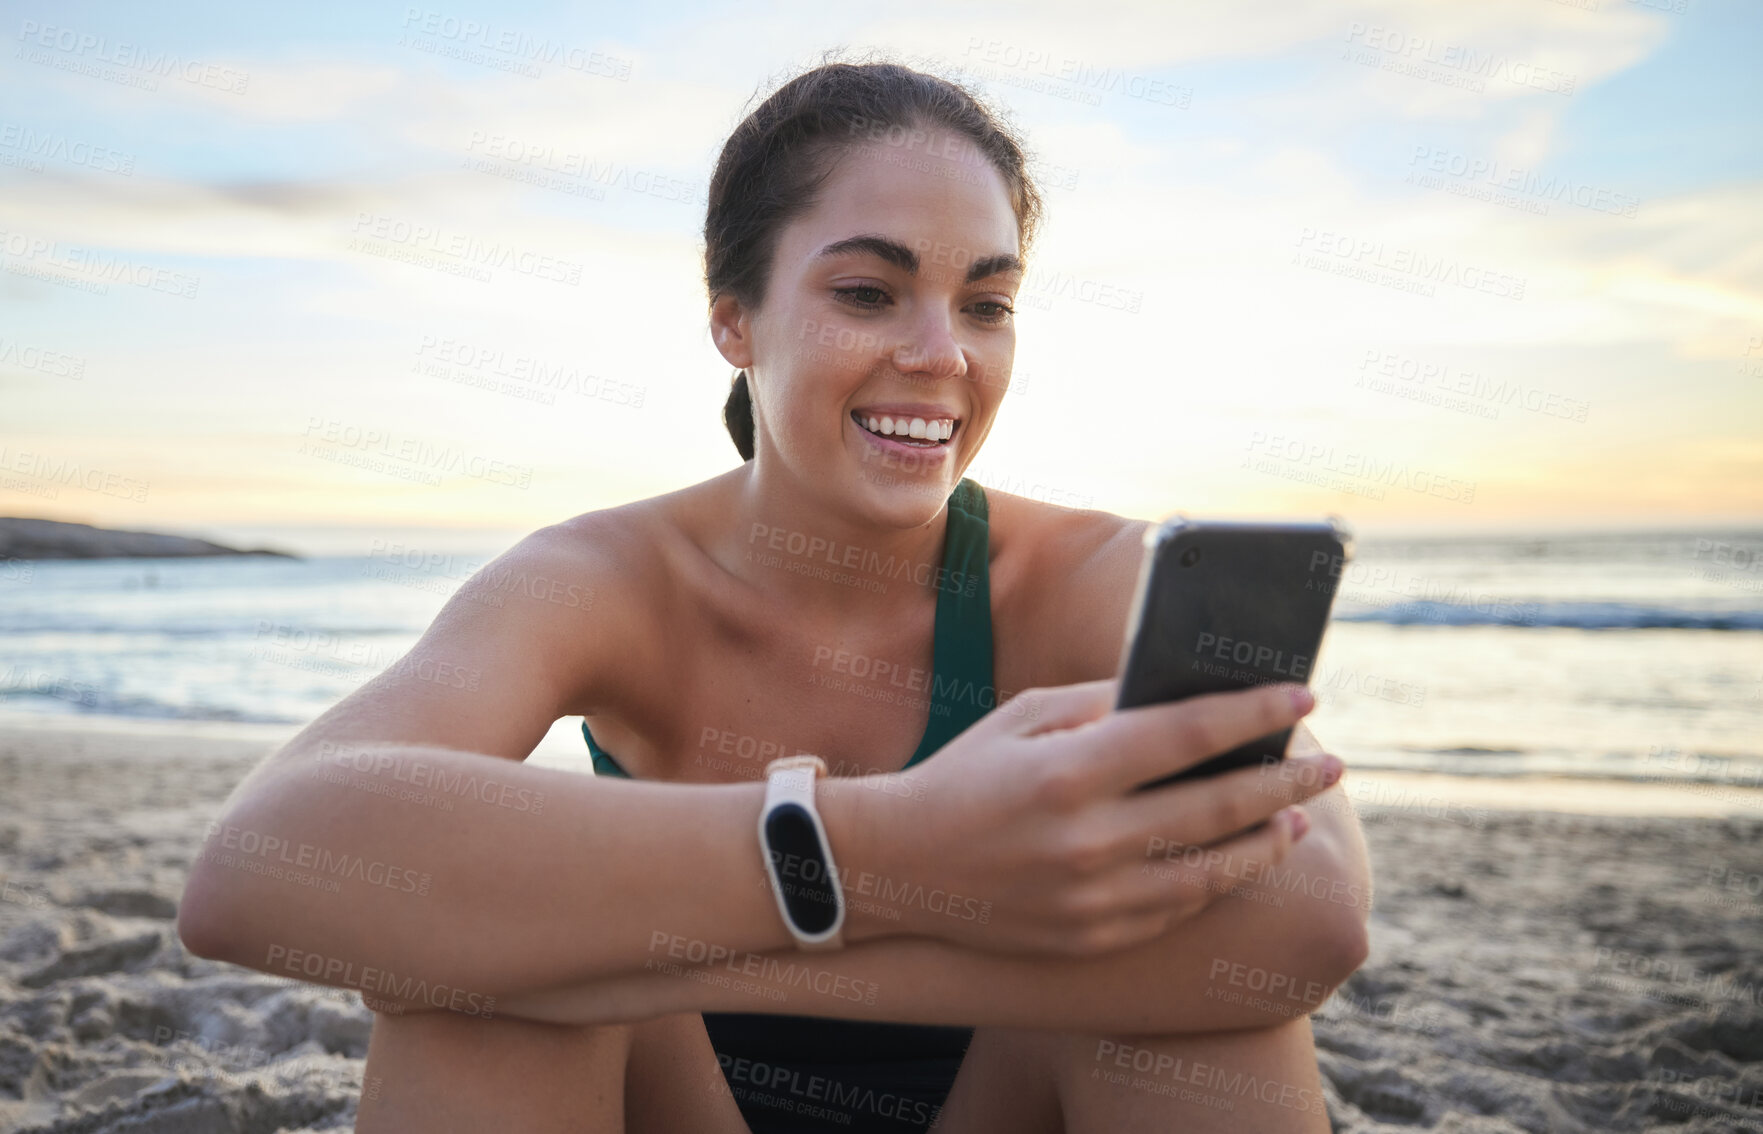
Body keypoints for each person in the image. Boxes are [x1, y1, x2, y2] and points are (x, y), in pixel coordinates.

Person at [178, 55, 1372, 1132]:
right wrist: (896, 850)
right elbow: (260, 864)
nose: (942, 354)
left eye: (985, 303)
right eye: (867, 292)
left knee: (1197, 1031)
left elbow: (1309, 917)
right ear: (732, 318)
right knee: (488, 997)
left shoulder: (1088, 579)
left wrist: (650, 943)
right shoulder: (602, 580)